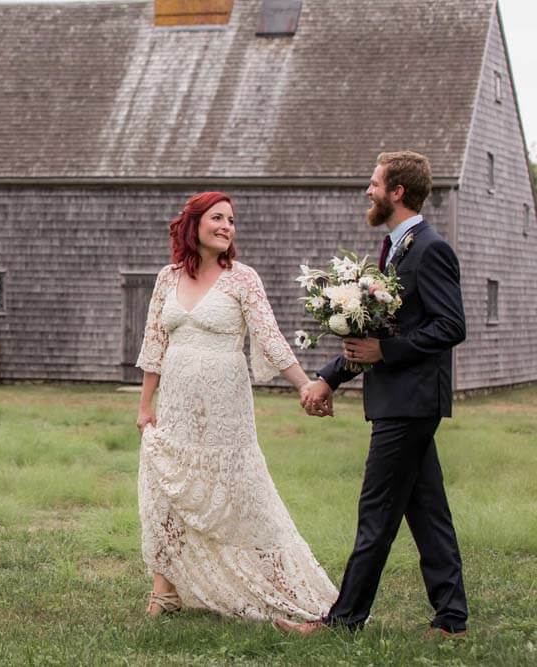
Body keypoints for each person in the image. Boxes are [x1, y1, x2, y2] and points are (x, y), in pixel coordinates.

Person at [279, 151, 469, 637]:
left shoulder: (431, 249)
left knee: (376, 514)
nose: (368, 191)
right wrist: (329, 376)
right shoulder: (394, 249)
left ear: (397, 192)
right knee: (427, 512)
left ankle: (344, 621)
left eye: (375, 183)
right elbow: (375, 337)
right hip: (399, 402)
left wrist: (388, 351)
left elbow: (451, 326)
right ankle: (451, 620)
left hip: (411, 403)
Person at [136, 191, 336, 619]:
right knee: (167, 488)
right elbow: (154, 343)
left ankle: (281, 583)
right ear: (194, 224)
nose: (226, 226)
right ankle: (164, 591)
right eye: (217, 218)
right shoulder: (167, 278)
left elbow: (270, 337)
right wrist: (145, 405)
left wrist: (305, 384)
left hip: (225, 404)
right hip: (175, 402)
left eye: (231, 220)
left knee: (243, 493)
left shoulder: (243, 279)